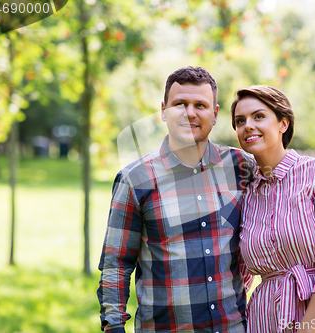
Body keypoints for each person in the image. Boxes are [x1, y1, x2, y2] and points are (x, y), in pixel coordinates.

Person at [97, 66, 255, 333]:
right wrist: (113, 327)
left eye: (200, 105)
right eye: (180, 103)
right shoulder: (135, 179)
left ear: (215, 114)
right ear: (163, 110)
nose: (190, 113)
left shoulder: (241, 167)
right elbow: (116, 264)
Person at [230, 85, 315, 333]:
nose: (247, 125)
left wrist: (307, 329)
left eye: (258, 116)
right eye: (240, 121)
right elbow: (240, 278)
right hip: (264, 320)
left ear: (283, 123)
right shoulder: (247, 192)